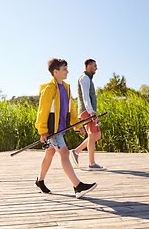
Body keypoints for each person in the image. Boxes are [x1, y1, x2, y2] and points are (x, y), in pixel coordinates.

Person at [35, 58, 97, 199]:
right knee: (64, 154)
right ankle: (77, 186)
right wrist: (42, 130)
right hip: (52, 129)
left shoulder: (66, 88)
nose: (67, 71)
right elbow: (42, 111)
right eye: (64, 69)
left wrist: (78, 126)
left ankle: (40, 181)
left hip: (61, 128)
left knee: (50, 153)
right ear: (55, 72)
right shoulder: (49, 89)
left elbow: (71, 109)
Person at [71, 59, 106, 171]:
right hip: (87, 111)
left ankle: (76, 151)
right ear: (88, 66)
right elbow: (86, 97)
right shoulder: (84, 78)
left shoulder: (88, 78)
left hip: (89, 111)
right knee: (92, 135)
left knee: (97, 135)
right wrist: (91, 112)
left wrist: (93, 112)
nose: (96, 68)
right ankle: (92, 164)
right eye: (95, 66)